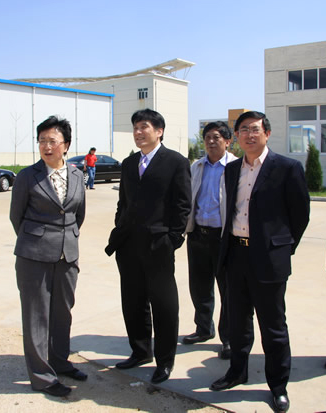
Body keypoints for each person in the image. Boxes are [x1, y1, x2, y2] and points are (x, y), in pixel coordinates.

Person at [210, 111, 310, 413]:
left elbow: (300, 215)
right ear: (237, 137)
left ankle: (278, 386)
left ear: (266, 133)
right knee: (238, 322)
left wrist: (281, 247)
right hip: (236, 254)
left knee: (273, 326)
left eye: (254, 129)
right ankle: (237, 372)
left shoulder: (287, 168)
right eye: (243, 130)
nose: (249, 135)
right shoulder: (231, 169)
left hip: (268, 258)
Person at [105, 109, 191, 384]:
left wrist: (173, 239)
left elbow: (183, 204)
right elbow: (123, 201)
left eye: (144, 127)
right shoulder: (130, 163)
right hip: (129, 245)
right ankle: (140, 351)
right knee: (133, 301)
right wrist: (120, 227)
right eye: (135, 128)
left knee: (164, 305)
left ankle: (165, 361)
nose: (138, 132)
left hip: (159, 245)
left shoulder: (176, 162)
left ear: (159, 131)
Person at [10, 116, 86, 397]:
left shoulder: (77, 175)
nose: (46, 146)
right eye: (41, 141)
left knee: (62, 312)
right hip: (34, 255)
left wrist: (66, 240)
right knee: (36, 315)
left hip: (68, 254)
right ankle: (42, 376)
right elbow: (16, 216)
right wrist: (38, 239)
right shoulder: (27, 176)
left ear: (66, 145)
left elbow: (78, 215)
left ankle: (60, 361)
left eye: (52, 141)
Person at [183, 121, 237, 360]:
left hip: (224, 238)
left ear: (228, 141)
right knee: (199, 286)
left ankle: (229, 339)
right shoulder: (196, 166)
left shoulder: (236, 167)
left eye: (216, 137)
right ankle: (204, 328)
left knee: (228, 290)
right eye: (207, 138)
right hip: (197, 235)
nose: (211, 142)